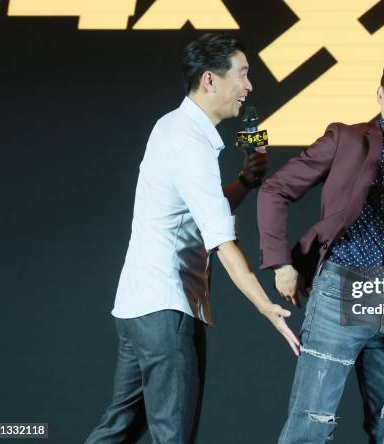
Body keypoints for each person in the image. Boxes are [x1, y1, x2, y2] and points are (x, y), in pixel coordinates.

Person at [85, 33, 299, 444]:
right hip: (165, 311)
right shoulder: (189, 142)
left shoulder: (174, 127)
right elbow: (221, 240)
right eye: (243, 74)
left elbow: (199, 210)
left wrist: (245, 182)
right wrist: (265, 306)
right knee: (173, 436)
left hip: (138, 309)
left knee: (118, 429)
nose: (249, 86)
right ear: (210, 80)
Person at [257, 46, 384, 443]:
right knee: (310, 426)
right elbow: (275, 189)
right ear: (381, 93)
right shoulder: (346, 139)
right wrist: (281, 262)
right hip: (341, 290)